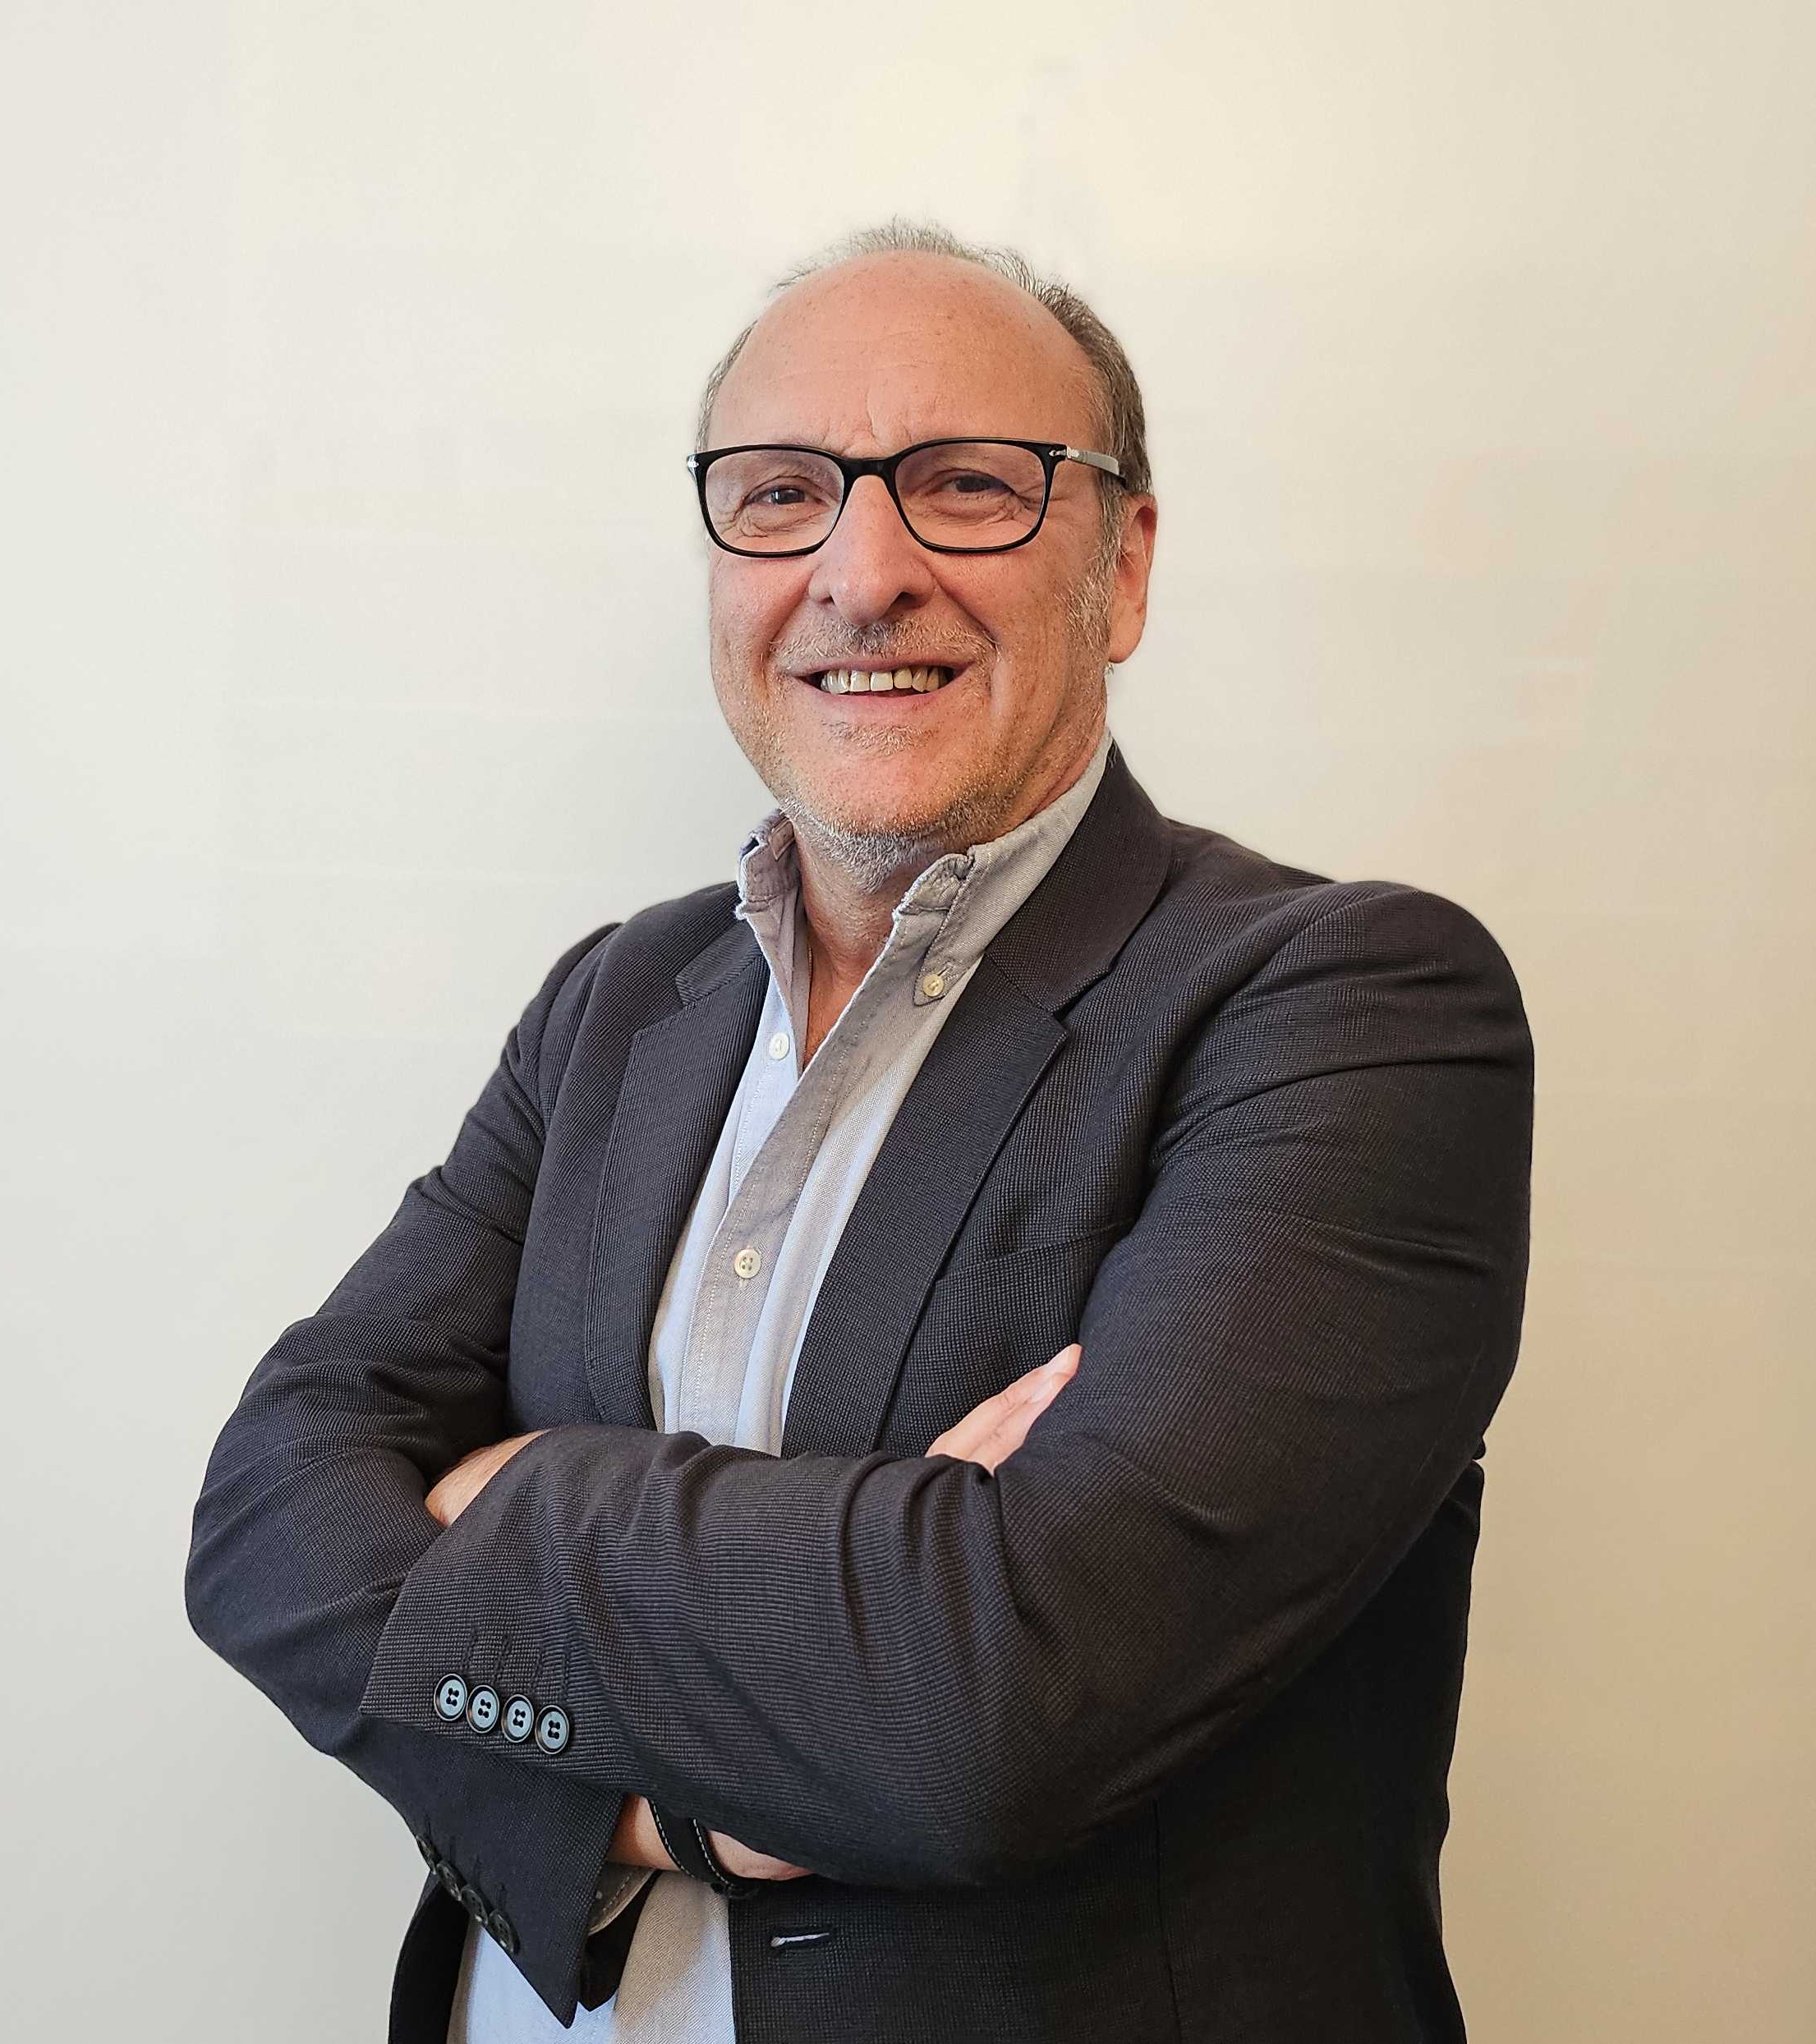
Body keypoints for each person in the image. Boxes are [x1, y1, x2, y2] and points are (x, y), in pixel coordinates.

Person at [185, 219, 1534, 2044]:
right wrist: (656, 1815)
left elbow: (999, 1706)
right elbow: (267, 1513)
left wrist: (506, 1489)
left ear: (1122, 566)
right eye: (780, 493)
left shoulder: (1341, 1008)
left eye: (969, 485)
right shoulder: (619, 1002)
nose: (863, 570)